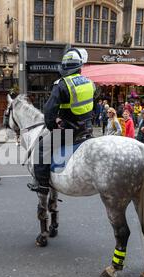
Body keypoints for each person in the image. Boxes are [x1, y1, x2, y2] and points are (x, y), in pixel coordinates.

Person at [27, 48, 95, 194]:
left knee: (41, 149)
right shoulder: (90, 83)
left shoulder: (62, 84)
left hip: (69, 131)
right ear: (79, 66)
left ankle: (43, 185)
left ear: (64, 68)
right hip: (87, 129)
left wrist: (53, 125)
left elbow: (49, 111)